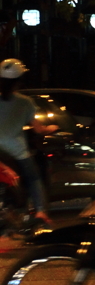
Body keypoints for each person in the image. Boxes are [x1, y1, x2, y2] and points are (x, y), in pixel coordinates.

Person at [0, 59, 58, 224]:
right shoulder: (26, 102)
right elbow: (38, 129)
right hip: (17, 152)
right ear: (19, 81)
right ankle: (40, 211)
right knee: (34, 178)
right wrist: (51, 128)